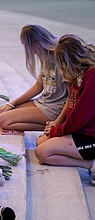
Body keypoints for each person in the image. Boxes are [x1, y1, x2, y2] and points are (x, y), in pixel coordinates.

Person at [35, 34, 95, 186]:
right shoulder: (80, 73)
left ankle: (91, 165)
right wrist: (57, 125)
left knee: (42, 153)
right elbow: (72, 104)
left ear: (67, 61)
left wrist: (57, 130)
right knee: (40, 142)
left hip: (91, 138)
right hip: (81, 132)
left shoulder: (92, 76)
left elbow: (79, 117)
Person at [0, 24, 68, 131]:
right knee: (1, 113)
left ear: (36, 42)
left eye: (27, 45)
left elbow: (72, 94)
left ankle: (53, 127)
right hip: (44, 101)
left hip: (55, 107)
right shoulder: (43, 54)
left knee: (3, 120)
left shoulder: (60, 56)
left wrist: (59, 121)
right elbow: (38, 87)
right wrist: (11, 103)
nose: (30, 51)